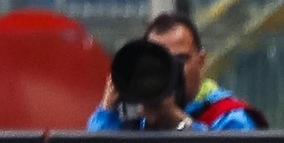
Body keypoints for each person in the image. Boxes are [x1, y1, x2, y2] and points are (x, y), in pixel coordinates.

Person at [88, 12, 266, 132]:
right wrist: (107, 111)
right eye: (157, 63)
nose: (168, 70)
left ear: (201, 61)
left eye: (179, 61)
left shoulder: (230, 117)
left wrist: (177, 121)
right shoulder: (135, 116)